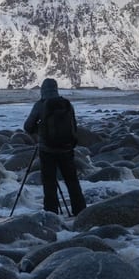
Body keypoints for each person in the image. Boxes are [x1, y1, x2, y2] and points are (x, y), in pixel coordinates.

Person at [23, 78, 87, 216]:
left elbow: (27, 126)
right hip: (66, 149)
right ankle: (81, 213)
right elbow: (73, 127)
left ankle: (51, 215)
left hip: (47, 150)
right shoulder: (67, 104)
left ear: (42, 90)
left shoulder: (40, 105)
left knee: (49, 184)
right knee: (72, 182)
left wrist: (39, 132)